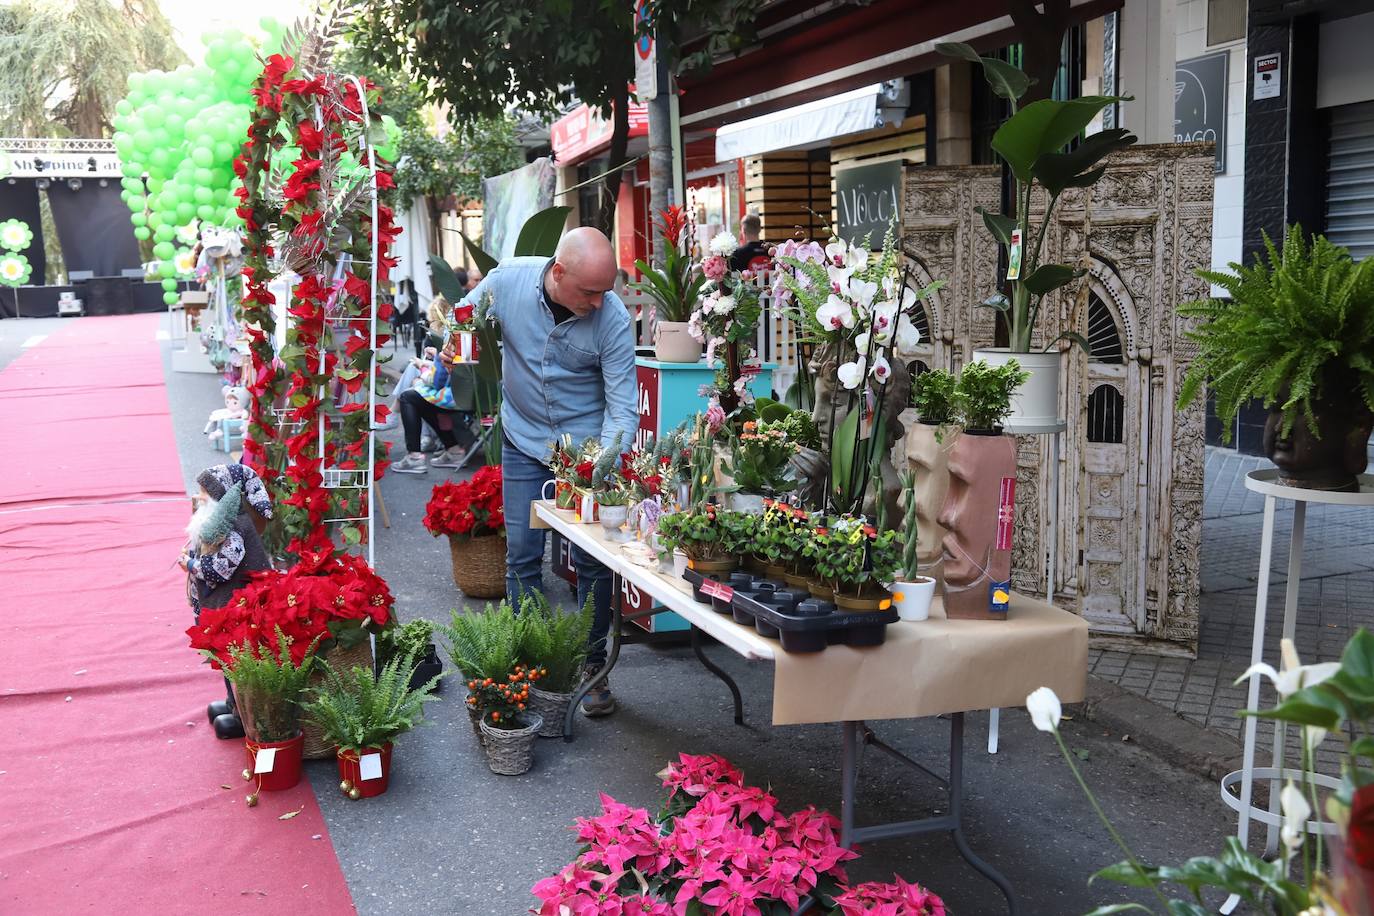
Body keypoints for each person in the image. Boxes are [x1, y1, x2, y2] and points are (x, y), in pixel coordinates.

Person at [456, 227, 636, 717]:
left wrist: (602, 466)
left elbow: (623, 408)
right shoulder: (508, 281)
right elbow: (463, 315)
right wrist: (456, 335)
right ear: (558, 272)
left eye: (605, 292)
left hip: (586, 452)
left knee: (593, 563)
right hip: (523, 439)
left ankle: (591, 667)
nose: (598, 303)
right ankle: (533, 664)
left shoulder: (612, 318)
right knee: (522, 557)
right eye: (589, 292)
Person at [179, 463, 274, 739]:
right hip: (226, 603)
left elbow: (221, 567)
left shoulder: (234, 526)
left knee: (237, 658)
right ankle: (233, 704)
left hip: (238, 605)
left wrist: (192, 565)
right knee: (227, 657)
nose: (200, 497)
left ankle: (244, 714)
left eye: (205, 492)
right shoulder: (219, 523)